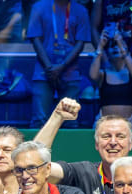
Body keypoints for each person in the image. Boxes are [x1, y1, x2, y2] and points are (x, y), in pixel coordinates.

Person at [35, 100, 132, 194]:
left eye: (120, 136)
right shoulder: (82, 173)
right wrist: (56, 118)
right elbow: (35, 165)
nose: (113, 142)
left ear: (130, 144)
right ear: (97, 144)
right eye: (106, 136)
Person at [27, 0, 92, 129]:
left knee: (70, 121)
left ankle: (70, 150)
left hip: (70, 72)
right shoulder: (39, 7)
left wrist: (62, 66)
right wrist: (49, 67)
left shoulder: (80, 10)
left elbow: (80, 44)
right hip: (44, 72)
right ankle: (35, 150)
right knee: (39, 120)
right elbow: (35, 40)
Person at [88, 27, 132, 125]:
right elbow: (92, 76)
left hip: (128, 124)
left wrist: (121, 44)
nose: (116, 48)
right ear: (108, 53)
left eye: (118, 46)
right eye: (112, 46)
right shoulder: (102, 74)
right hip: (104, 123)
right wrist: (100, 47)